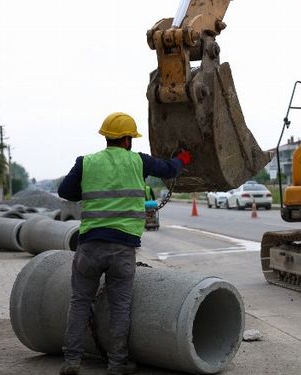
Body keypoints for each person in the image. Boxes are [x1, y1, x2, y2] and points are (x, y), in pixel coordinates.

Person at [57, 112, 192, 375]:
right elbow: (169, 169)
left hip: (90, 246)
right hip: (122, 248)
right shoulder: (138, 162)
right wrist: (183, 158)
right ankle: (117, 364)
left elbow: (65, 192)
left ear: (107, 137)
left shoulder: (86, 162)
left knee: (80, 302)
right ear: (128, 140)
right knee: (120, 307)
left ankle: (72, 361)